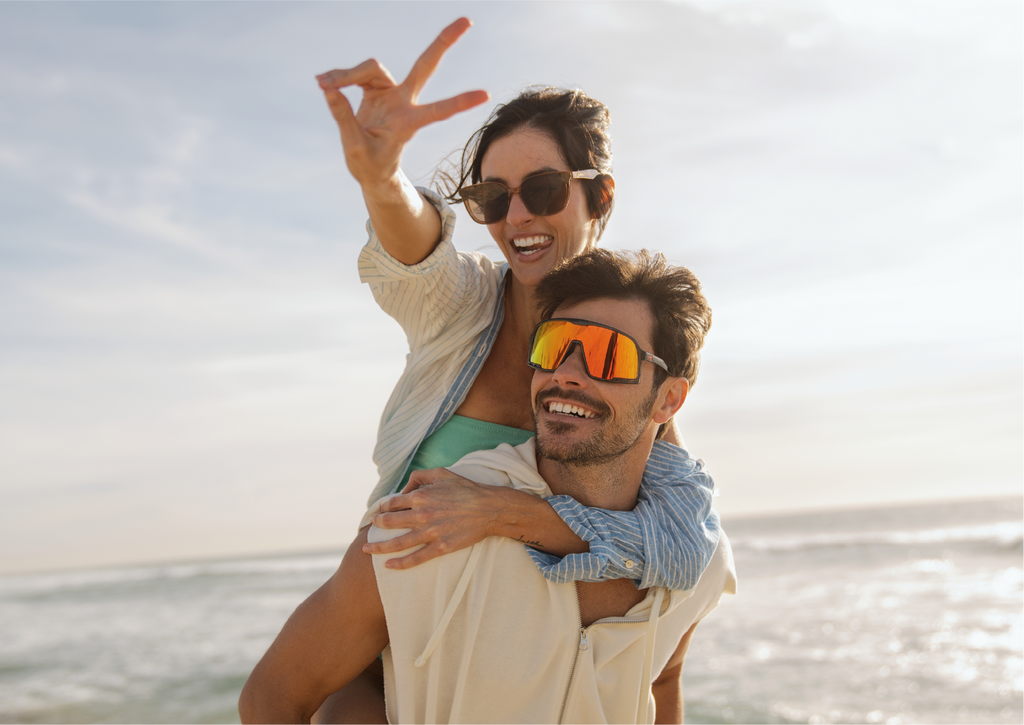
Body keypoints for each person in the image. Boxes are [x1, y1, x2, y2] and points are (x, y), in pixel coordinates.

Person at [312, 17, 720, 720]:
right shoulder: (463, 304)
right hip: (398, 653)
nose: (517, 217)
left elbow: (683, 549)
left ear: (603, 196)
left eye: (544, 188)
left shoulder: (622, 364)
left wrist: (509, 513)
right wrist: (382, 179)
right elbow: (416, 250)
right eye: (492, 198)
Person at [239, 249, 736, 724]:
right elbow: (274, 697)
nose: (565, 374)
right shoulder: (428, 524)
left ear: (668, 400)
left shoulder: (702, 561)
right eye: (553, 347)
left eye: (609, 356)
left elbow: (663, 677)